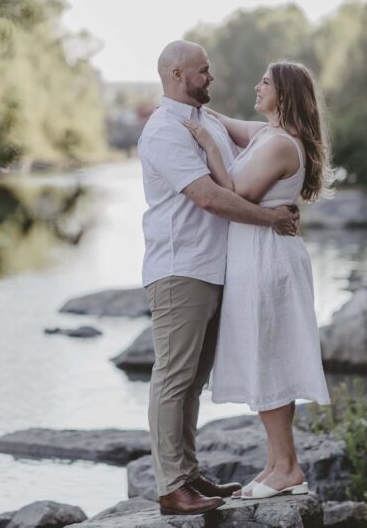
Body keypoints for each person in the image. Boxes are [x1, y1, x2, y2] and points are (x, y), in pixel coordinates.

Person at [138, 40, 299, 516]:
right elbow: (208, 196)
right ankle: (172, 487)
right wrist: (271, 218)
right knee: (173, 377)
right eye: (203, 71)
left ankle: (189, 473)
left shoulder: (206, 120)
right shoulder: (165, 130)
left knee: (192, 380)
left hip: (214, 268)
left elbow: (264, 145)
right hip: (179, 267)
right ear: (176, 75)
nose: (212, 78)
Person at [183, 60, 332, 500]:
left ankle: (287, 467)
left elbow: (234, 189)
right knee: (265, 356)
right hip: (257, 255)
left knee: (269, 358)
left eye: (264, 82)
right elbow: (226, 122)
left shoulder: (281, 144)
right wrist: (188, 106)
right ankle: (276, 464)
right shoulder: (268, 134)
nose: (256, 85)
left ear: (283, 94)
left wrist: (209, 144)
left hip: (268, 260)